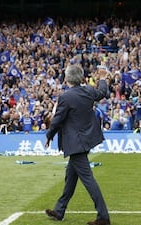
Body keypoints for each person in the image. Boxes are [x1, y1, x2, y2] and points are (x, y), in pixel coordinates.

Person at [44, 64, 110, 225]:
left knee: (88, 179)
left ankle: (103, 216)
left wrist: (49, 136)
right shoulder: (88, 90)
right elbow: (102, 93)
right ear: (80, 78)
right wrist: (102, 78)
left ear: (67, 79)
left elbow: (57, 120)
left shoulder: (66, 97)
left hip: (75, 142)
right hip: (85, 139)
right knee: (71, 177)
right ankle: (59, 210)